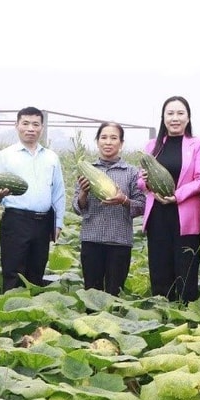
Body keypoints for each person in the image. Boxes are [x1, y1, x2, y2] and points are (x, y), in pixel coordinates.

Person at [139, 96, 200, 302]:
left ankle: (187, 315)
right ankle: (162, 313)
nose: (175, 118)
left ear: (188, 118)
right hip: (157, 215)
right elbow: (141, 182)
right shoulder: (152, 145)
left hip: (185, 215)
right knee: (159, 268)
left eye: (180, 113)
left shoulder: (198, 145)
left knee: (186, 269)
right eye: (170, 113)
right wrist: (145, 181)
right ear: (163, 117)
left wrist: (176, 196)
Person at [0, 107, 66, 291]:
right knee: (13, 271)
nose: (30, 128)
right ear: (17, 125)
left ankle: (33, 314)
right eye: (25, 123)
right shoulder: (4, 156)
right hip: (16, 220)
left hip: (43, 221)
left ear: (42, 127)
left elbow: (59, 192)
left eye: (35, 124)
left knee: (36, 271)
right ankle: (12, 315)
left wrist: (58, 223)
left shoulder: (52, 157)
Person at [73, 122, 145, 295]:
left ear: (121, 143)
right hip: (91, 240)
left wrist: (124, 200)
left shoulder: (132, 172)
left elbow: (141, 205)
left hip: (119, 241)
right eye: (103, 137)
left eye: (114, 138)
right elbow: (77, 207)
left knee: (115, 293)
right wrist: (83, 193)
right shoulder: (86, 170)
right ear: (97, 141)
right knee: (92, 294)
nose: (108, 142)